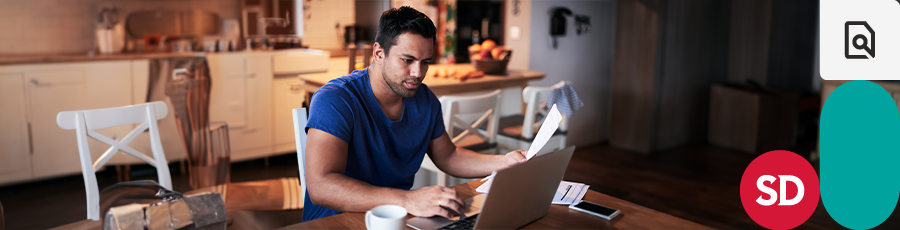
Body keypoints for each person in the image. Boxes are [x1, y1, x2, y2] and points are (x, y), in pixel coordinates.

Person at [302, 6, 527, 222]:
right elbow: (321, 186)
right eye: (407, 60)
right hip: (336, 222)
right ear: (379, 53)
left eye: (425, 62)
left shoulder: (425, 99)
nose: (417, 73)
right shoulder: (335, 99)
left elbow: (448, 156)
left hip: (397, 217)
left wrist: (504, 162)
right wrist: (408, 200)